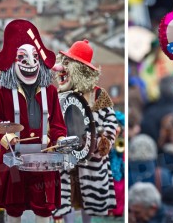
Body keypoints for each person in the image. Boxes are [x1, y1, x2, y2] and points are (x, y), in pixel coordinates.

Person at [0, 19, 67, 223]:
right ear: (13, 61)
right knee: (14, 206)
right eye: (22, 58)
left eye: (35, 58)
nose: (30, 64)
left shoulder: (51, 90)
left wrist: (60, 138)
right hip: (14, 157)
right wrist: (8, 138)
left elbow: (57, 123)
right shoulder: (1, 89)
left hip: (44, 158)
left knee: (45, 207)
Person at [52, 40, 118, 222]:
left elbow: (111, 122)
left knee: (87, 199)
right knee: (67, 198)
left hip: (91, 158)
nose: (62, 70)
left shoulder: (98, 94)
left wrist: (104, 141)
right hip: (66, 158)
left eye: (67, 64)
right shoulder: (59, 96)